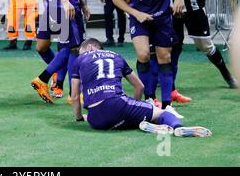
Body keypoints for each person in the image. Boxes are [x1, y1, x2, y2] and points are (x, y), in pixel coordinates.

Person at [70, 38, 212, 137]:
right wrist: (134, 105)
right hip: (118, 104)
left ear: (89, 48)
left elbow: (75, 96)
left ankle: (145, 124)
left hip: (96, 119)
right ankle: (178, 128)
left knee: (95, 116)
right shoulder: (116, 56)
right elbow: (140, 86)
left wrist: (78, 119)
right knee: (162, 114)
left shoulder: (79, 60)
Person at [112, 0, 186, 117]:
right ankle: (150, 99)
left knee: (164, 57)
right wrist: (135, 13)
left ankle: (167, 105)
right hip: (139, 18)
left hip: (162, 18)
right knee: (143, 55)